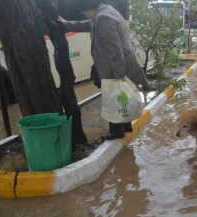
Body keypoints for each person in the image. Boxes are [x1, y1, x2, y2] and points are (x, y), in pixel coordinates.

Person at [58, 0, 148, 140]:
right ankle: (126, 125)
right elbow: (89, 24)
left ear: (90, 9)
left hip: (115, 66)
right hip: (123, 64)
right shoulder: (107, 11)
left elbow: (114, 49)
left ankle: (116, 131)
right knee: (122, 96)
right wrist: (67, 24)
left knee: (114, 97)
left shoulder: (102, 18)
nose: (86, 16)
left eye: (85, 13)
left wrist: (119, 75)